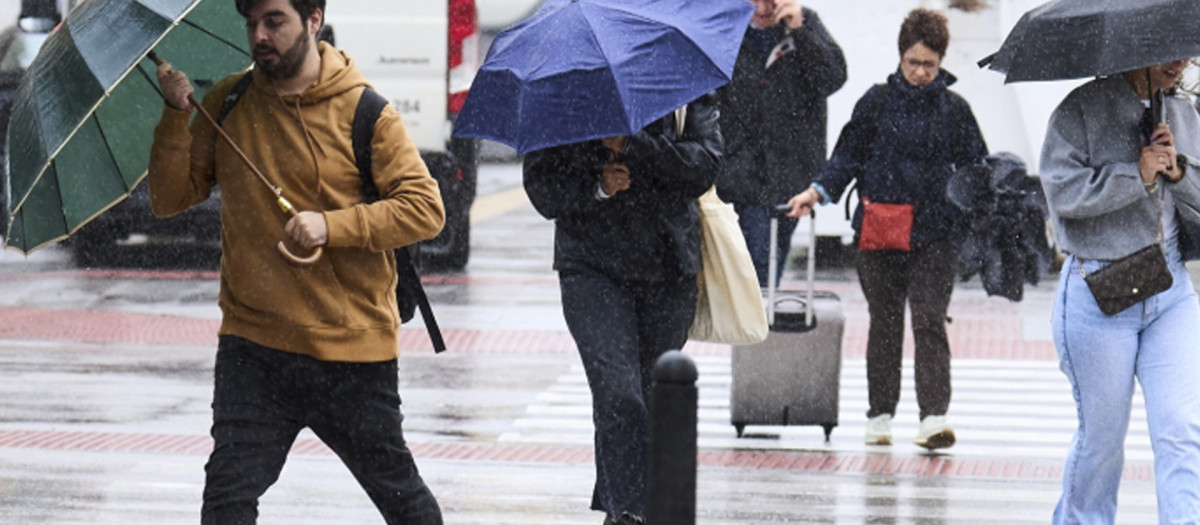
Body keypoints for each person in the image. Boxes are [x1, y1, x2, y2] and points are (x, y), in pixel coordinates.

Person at [148, 0, 445, 523]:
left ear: (313, 19)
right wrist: (175, 116)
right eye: (252, 22)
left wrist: (332, 226)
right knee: (226, 501)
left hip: (350, 352)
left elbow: (425, 209)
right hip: (254, 348)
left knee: (405, 505)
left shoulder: (366, 112)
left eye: (275, 21)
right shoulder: (227, 103)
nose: (259, 35)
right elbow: (170, 198)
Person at [786, 8, 986, 450]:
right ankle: (879, 416)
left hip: (935, 235)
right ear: (900, 57)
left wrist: (981, 218)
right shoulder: (875, 102)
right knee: (885, 322)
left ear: (941, 63)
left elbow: (977, 171)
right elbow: (846, 157)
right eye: (913, 62)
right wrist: (816, 192)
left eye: (929, 64)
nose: (920, 72)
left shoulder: (955, 111)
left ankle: (934, 417)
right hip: (878, 235)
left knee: (930, 319)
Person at [523, 96, 722, 524]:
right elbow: (542, 188)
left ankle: (631, 504)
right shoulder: (568, 95)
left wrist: (634, 146)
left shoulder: (682, 86)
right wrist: (596, 182)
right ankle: (628, 512)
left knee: (654, 401)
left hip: (668, 266)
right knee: (619, 395)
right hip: (591, 267)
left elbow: (704, 165)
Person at [1039, 59, 1200, 523]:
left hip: (1169, 289)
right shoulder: (1080, 111)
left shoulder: (1183, 115)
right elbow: (1063, 195)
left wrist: (1179, 172)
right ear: (1139, 49)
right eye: (1167, 51)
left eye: (1185, 52)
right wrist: (1136, 174)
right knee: (1102, 442)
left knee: (1182, 429)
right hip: (1099, 290)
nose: (1180, 62)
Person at [716, 0, 846, 288]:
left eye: (770, 1)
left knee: (771, 261)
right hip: (740, 176)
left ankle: (761, 323)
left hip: (790, 177)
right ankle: (759, 325)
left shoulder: (805, 25)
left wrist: (801, 31)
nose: (763, 9)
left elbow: (833, 78)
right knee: (759, 265)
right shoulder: (726, 29)